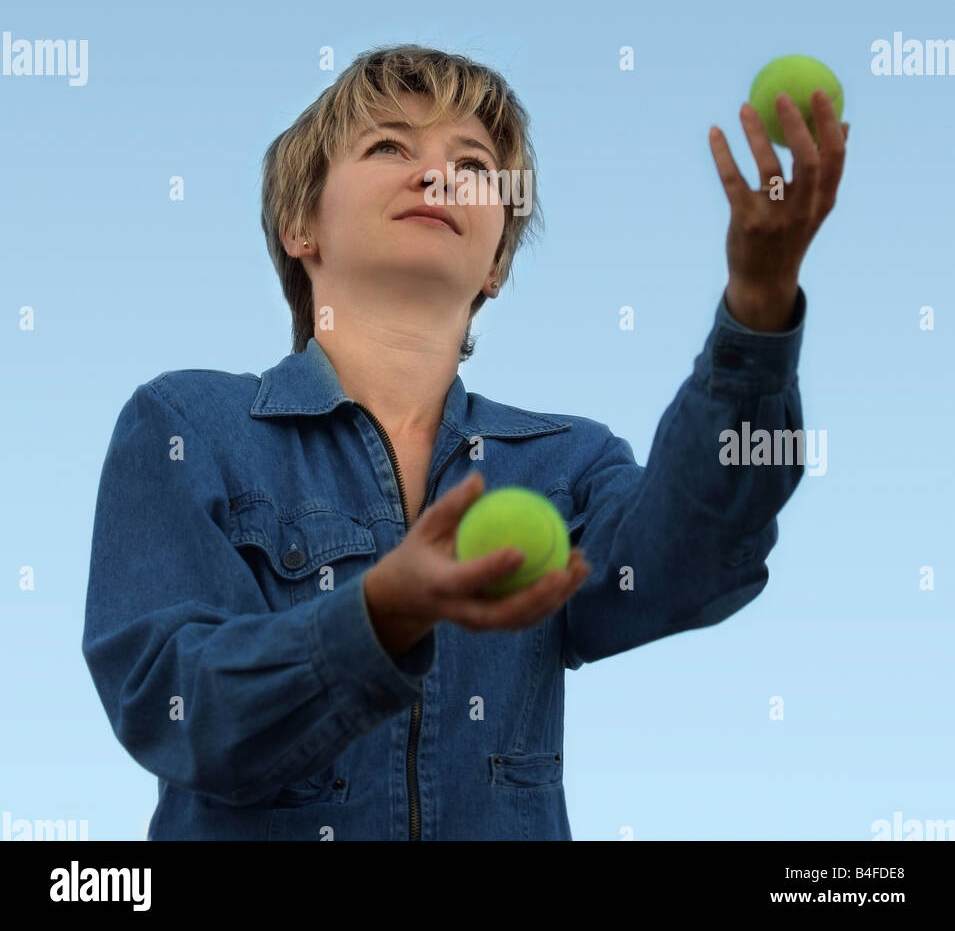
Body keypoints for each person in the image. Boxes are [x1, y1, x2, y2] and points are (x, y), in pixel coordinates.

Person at [82, 42, 849, 841]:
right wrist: (380, 616)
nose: (438, 175)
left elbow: (696, 556)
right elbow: (173, 702)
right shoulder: (187, 424)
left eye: (474, 165)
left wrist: (758, 305)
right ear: (300, 224)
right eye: (388, 146)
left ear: (497, 264)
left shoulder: (568, 463)